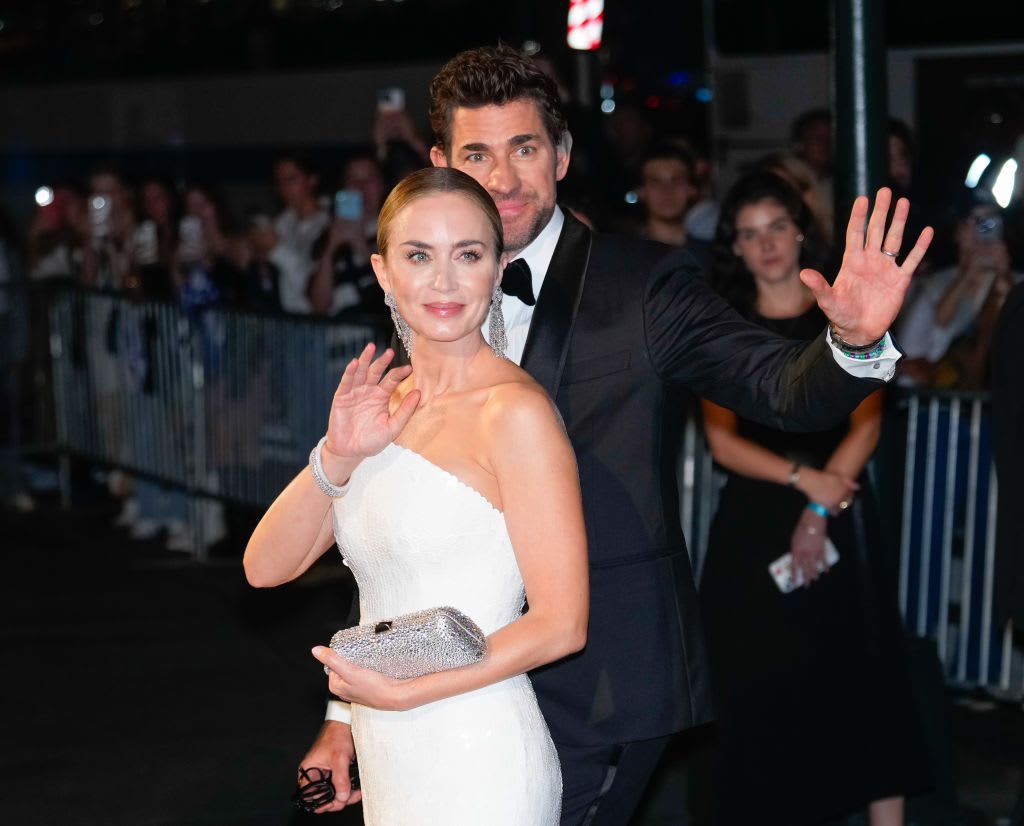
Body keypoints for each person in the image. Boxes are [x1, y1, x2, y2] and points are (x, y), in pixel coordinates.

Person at [299, 44, 933, 825]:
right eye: (476, 154)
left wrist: (856, 345)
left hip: (599, 680)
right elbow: (399, 534)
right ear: (440, 163)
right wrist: (345, 716)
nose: (501, 178)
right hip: (446, 693)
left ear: (562, 155)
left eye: (524, 148)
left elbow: (782, 389)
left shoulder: (645, 285)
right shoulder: (428, 297)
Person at [244, 166, 589, 824]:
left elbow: (562, 624)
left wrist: (408, 696)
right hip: (389, 748)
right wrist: (337, 453)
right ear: (381, 272)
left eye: (469, 254)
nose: (444, 281)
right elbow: (266, 568)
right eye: (418, 255)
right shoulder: (383, 401)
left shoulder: (514, 413)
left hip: (478, 749)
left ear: (500, 266)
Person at [697, 171, 929, 825]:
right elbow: (721, 442)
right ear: (734, 248)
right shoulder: (720, 327)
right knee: (758, 683)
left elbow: (869, 420)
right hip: (755, 516)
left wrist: (822, 506)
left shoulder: (846, 308)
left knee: (865, 673)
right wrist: (804, 485)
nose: (766, 244)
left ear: (799, 229)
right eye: (749, 233)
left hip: (842, 503)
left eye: (776, 226)